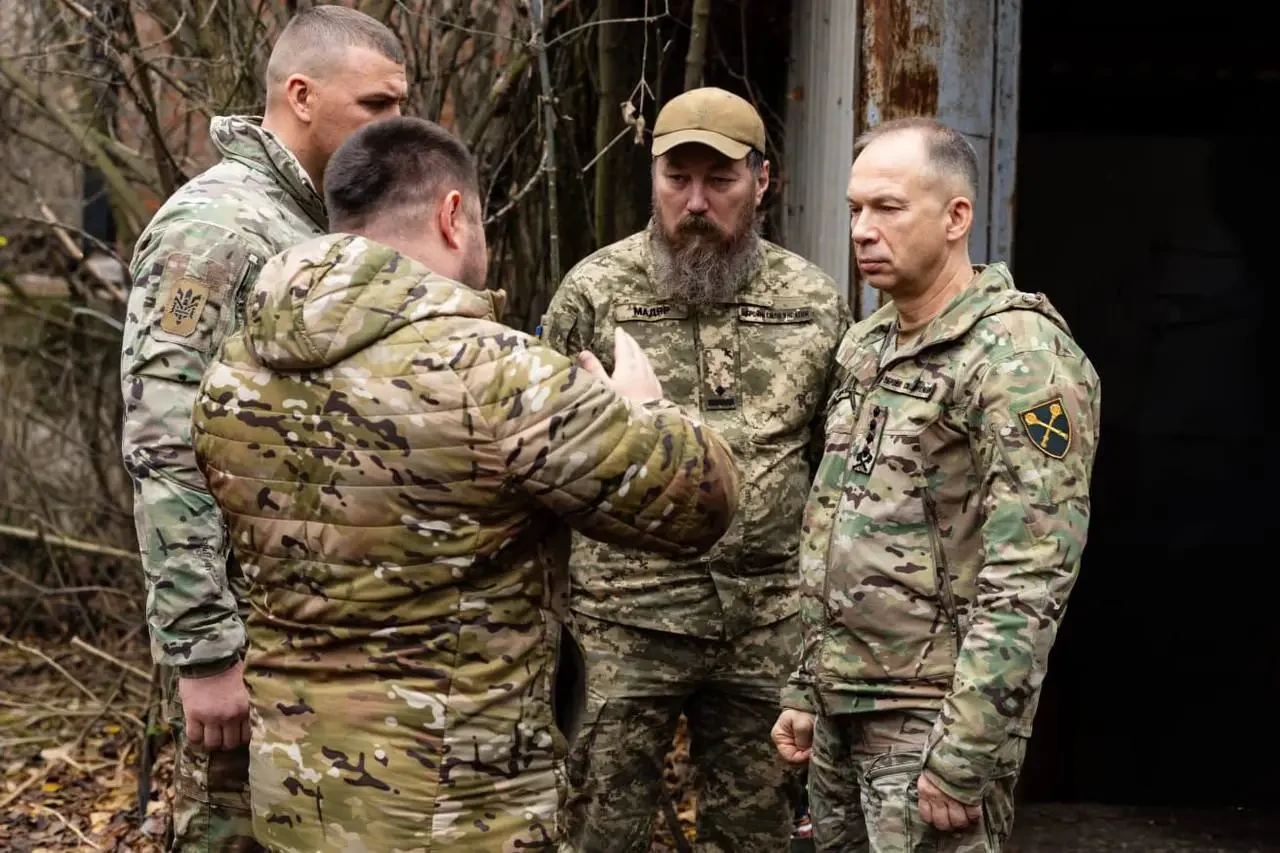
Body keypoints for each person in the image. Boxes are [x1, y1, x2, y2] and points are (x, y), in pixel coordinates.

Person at [188, 115, 741, 852]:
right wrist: (647, 409)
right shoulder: (494, 373)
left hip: (295, 793)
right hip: (457, 807)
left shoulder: (234, 369)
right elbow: (699, 502)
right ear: (453, 216)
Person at [770, 117, 1101, 852]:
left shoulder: (1018, 356)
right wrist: (807, 686)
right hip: (843, 710)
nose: (862, 229)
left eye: (888, 208)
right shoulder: (868, 344)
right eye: (855, 208)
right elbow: (833, 523)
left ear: (957, 217)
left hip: (931, 720)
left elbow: (1032, 572)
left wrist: (966, 748)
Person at [118, 7, 406, 850]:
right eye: (377, 105)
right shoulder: (217, 230)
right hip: (251, 643)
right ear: (302, 95)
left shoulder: (319, 222)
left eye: (401, 105)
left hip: (322, 639)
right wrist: (205, 651)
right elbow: (165, 445)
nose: (395, 127)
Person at [540, 86, 850, 852]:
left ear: (763, 180)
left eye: (720, 180)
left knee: (757, 834)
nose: (697, 202)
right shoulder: (594, 292)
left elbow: (837, 471)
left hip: (765, 626)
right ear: (653, 177)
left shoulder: (814, 302)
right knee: (596, 831)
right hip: (623, 625)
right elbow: (544, 459)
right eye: (677, 178)